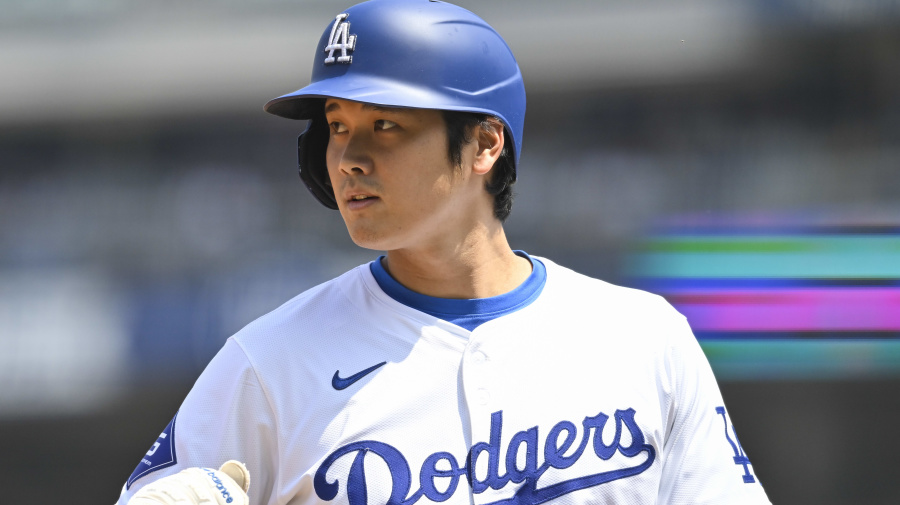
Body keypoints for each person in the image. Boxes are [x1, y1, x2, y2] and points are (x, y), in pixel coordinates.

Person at [117, 1, 771, 504]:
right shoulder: (267, 365)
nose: (349, 158)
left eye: (386, 125)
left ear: (486, 145)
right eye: (338, 126)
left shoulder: (642, 337)